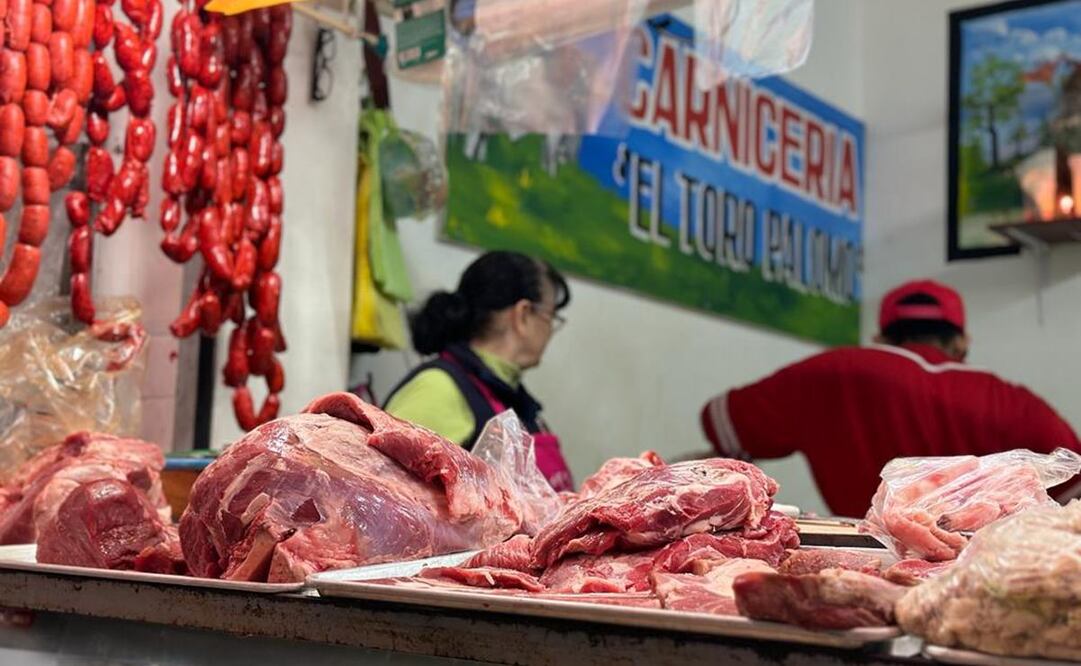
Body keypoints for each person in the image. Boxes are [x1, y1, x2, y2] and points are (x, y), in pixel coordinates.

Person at [700, 279, 1081, 517]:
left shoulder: (833, 370)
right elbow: (1073, 481)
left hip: (860, 567)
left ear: (882, 338)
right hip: (973, 572)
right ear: (961, 342)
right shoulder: (1010, 401)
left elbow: (723, 422)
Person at [384, 251, 574, 491]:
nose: (550, 331)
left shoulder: (516, 401)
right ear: (524, 315)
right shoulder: (438, 388)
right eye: (551, 317)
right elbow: (385, 493)